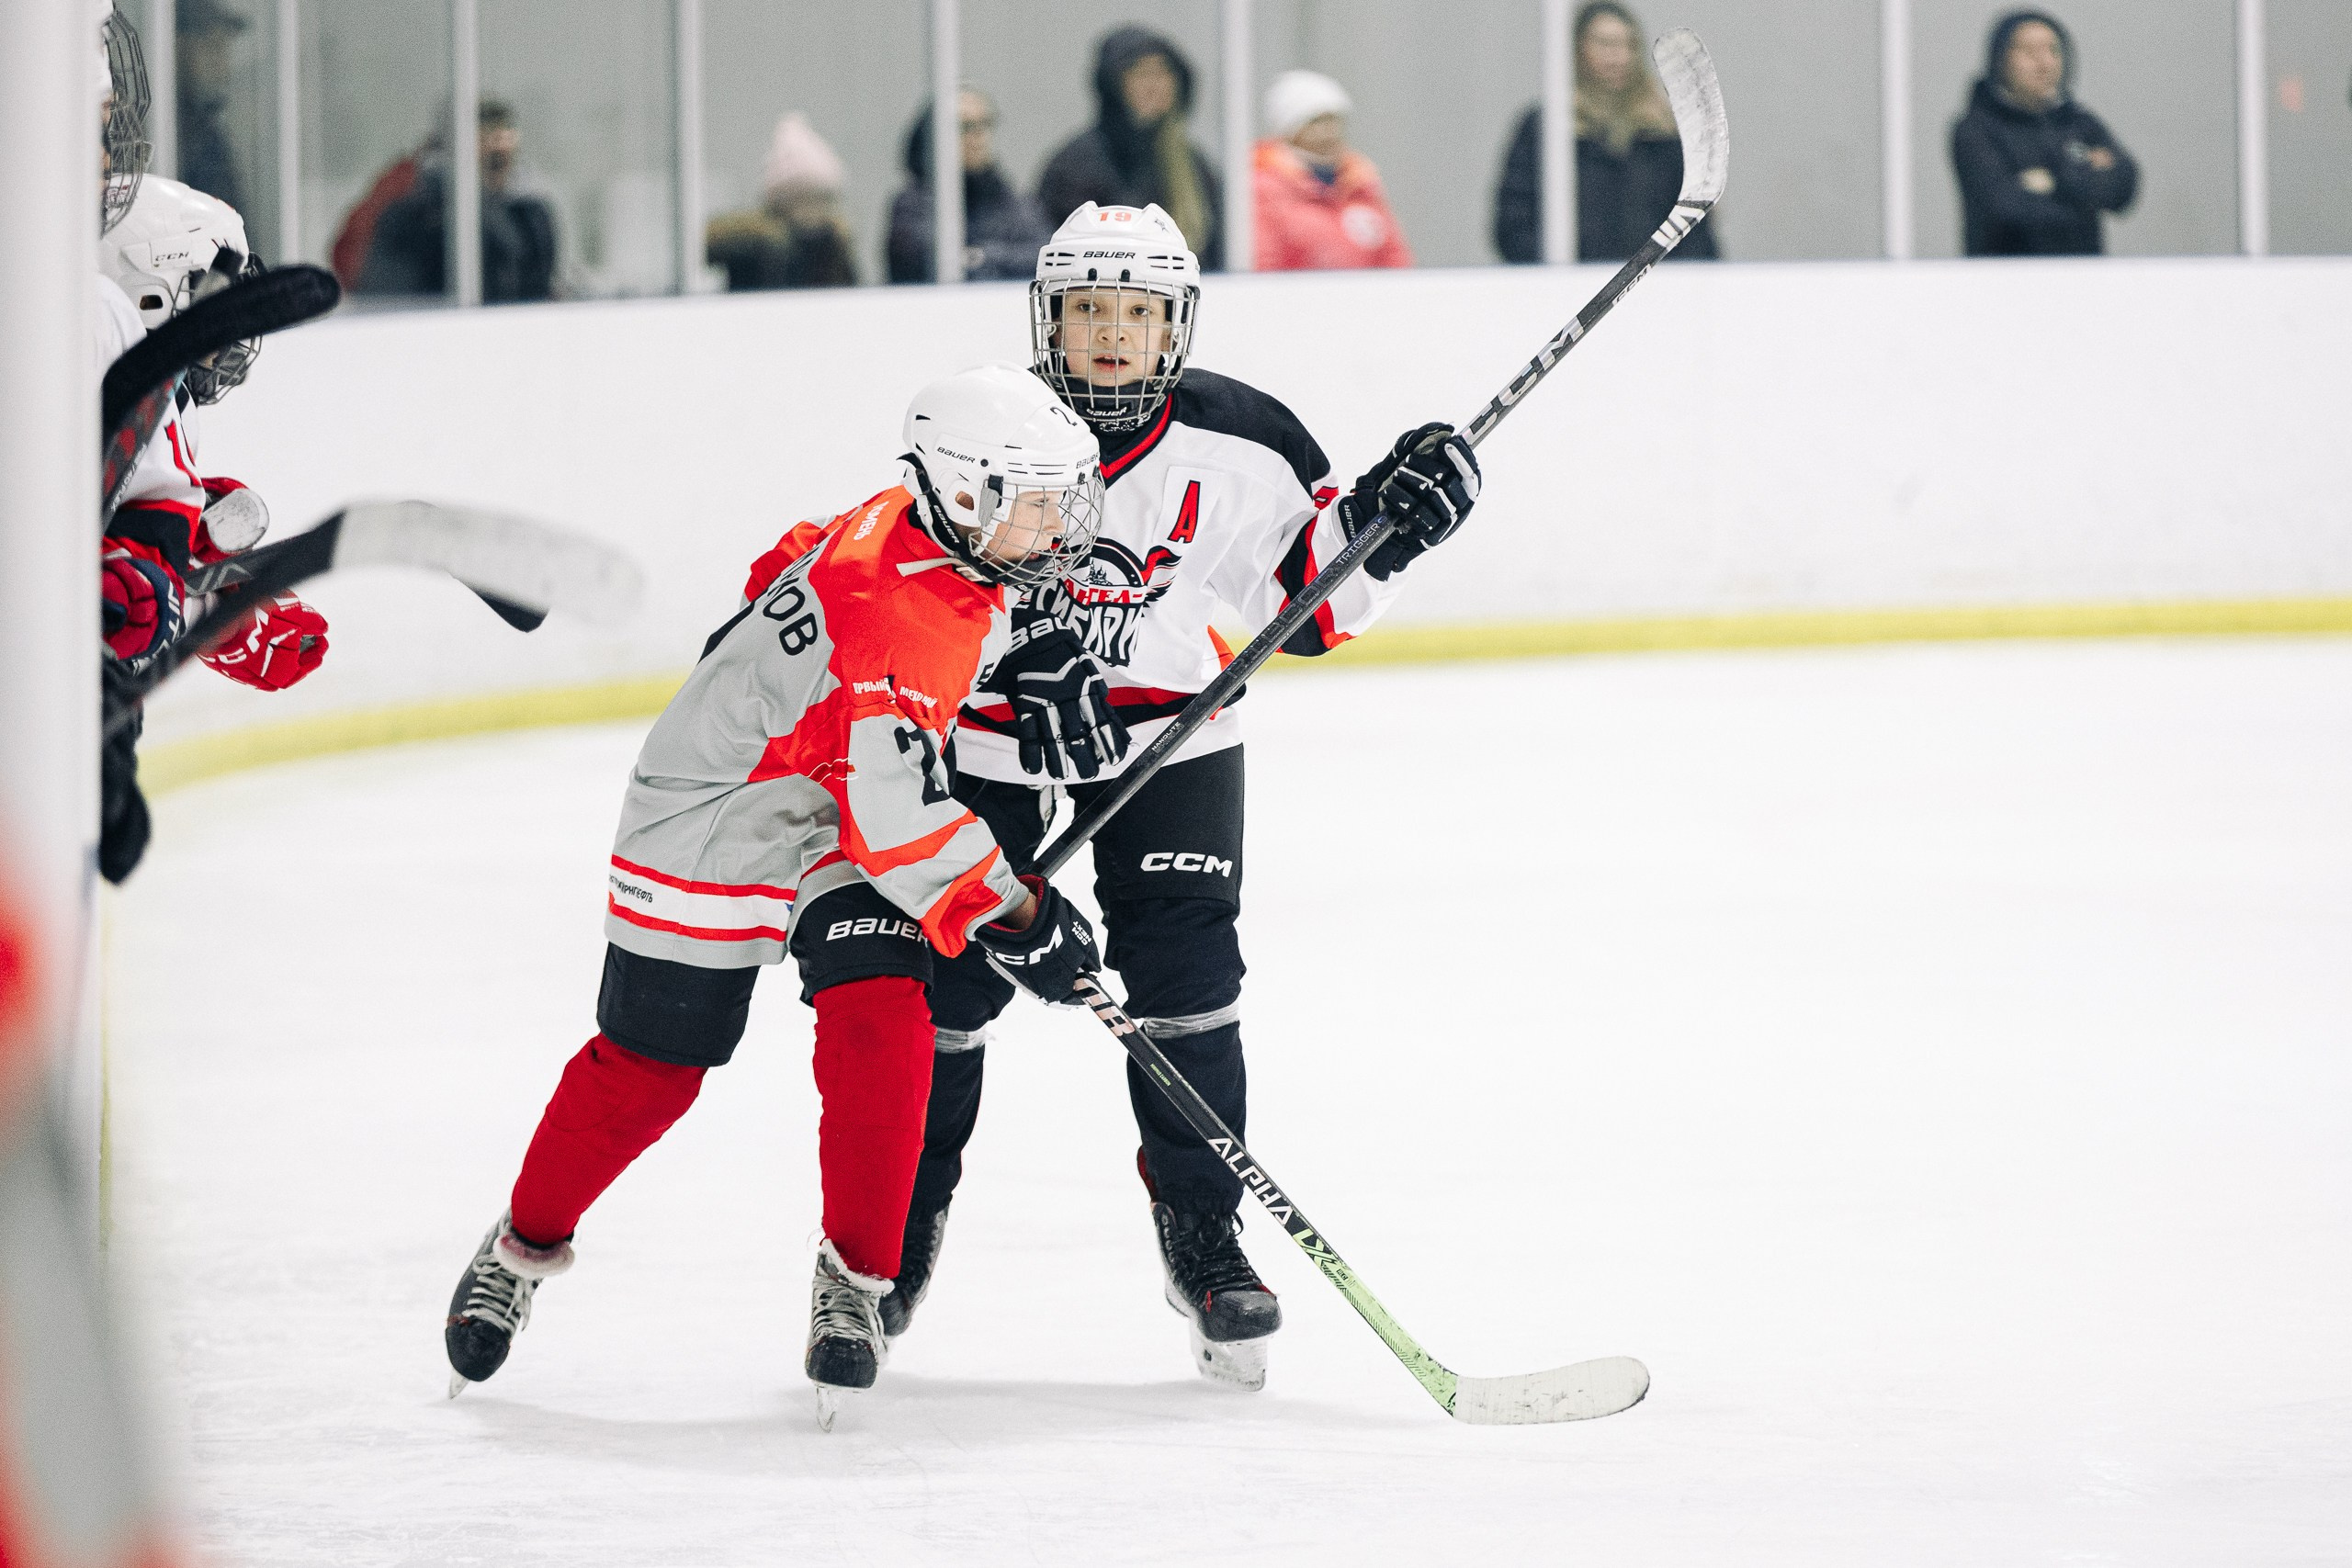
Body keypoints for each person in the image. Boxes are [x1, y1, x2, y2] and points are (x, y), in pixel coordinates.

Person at [880, 203, 1480, 1393]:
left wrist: (1389, 528)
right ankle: (894, 1228)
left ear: (1177, 325)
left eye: (1138, 312)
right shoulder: (986, 424)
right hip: (992, 738)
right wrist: (1007, 662)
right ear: (1048, 320)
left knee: (1188, 980)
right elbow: (913, 587)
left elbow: (1308, 606)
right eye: (1088, 310)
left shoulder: (1247, 439)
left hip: (1171, 735)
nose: (1112, 334)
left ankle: (1204, 1238)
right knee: (944, 982)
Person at [442, 367, 1109, 1423]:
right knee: (652, 1071)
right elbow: (904, 825)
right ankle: (520, 1248)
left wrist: (1018, 653)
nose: (1059, 527)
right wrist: (1022, 916)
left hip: (832, 786)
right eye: (1036, 503)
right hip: (713, 810)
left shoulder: (906, 519)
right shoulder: (900, 620)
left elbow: (789, 559)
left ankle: (856, 1278)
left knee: (884, 1014)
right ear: (963, 492)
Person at [97, 176, 328, 884]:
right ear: (144, 297)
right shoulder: (83, 362)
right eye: (207, 294)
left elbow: (139, 577)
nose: (231, 326)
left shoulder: (159, 402)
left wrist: (219, 612)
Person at [1492, 1, 1720, 265]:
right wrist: (1559, 276)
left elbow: (1695, 229)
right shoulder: (1548, 130)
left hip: (1657, 283)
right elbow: (1515, 223)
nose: (1619, 57)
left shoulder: (1663, 130)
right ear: (1578, 50)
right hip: (1570, 284)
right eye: (1606, 44)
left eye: (1629, 45)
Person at [1951, 10, 2138, 256]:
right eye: (2030, 53)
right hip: (2006, 272)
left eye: (2053, 51)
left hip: (2083, 273)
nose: (2045, 64)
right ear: (2000, 60)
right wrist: (2085, 184)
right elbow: (2006, 208)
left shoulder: (2079, 123)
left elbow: (2124, 186)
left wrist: (2053, 181)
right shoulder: (1976, 130)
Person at [1037, 28, 1223, 269]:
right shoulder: (1076, 166)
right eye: (1141, 74)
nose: (1154, 85)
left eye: (1163, 73)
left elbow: (1217, 246)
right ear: (1113, 85)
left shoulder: (1192, 164)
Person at [358, 99, 558, 302]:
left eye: (504, 141)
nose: (496, 151)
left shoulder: (531, 214)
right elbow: (389, 298)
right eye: (484, 140)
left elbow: (539, 290)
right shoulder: (417, 217)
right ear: (455, 151)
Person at [1250, 69, 1412, 272]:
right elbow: (1264, 264)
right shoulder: (1265, 187)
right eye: (1316, 121)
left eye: (1334, 120)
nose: (1330, 131)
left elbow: (1394, 256)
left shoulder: (1360, 184)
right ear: (1290, 130)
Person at [887, 89, 1053, 285]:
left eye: (985, 124)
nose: (978, 137)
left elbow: (1045, 258)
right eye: (964, 127)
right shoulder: (913, 205)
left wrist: (982, 256)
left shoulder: (1007, 198)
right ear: (935, 135)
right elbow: (933, 264)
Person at [705, 111, 859, 291]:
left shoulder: (833, 246)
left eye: (823, 200)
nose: (815, 210)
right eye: (805, 199)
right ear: (783, 203)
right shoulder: (755, 247)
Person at [175, 0, 250, 217]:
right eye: (212, 47)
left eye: (225, 48)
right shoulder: (168, 128)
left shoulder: (204, 128)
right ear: (177, 47)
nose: (223, 66)